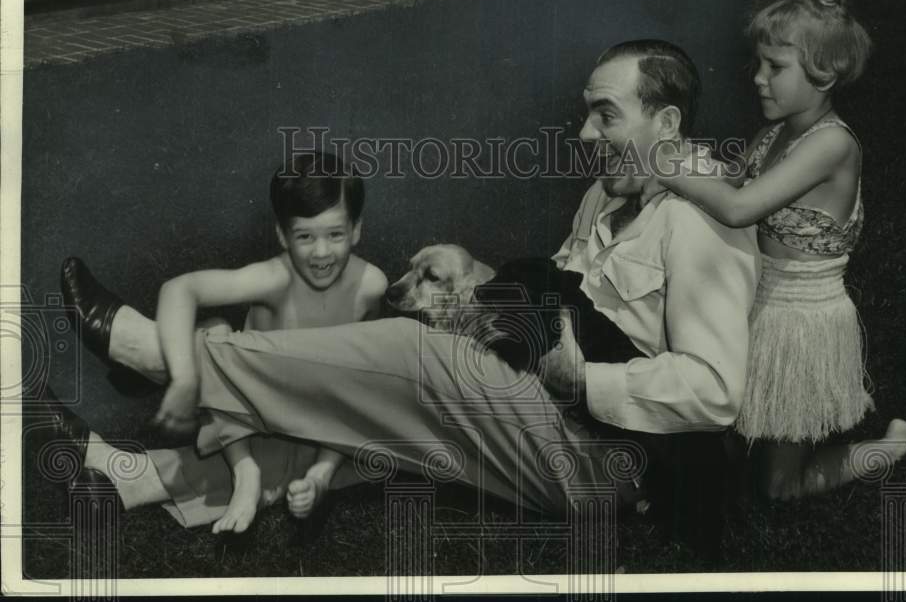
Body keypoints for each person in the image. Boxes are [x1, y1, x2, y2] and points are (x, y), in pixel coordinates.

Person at [53, 39, 759, 524]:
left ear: (666, 122)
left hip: (608, 462)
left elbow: (719, 393)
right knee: (381, 412)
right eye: (586, 111)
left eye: (607, 113)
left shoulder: (700, 224)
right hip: (543, 414)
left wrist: (585, 381)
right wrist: (481, 286)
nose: (583, 132)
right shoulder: (607, 195)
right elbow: (560, 299)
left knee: (411, 357)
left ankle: (162, 355)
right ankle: (135, 480)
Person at [647, 0, 906, 499]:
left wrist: (660, 166)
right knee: (722, 458)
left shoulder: (830, 144)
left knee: (777, 488)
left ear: (824, 74)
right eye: (758, 64)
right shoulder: (775, 133)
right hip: (756, 308)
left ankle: (893, 444)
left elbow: (738, 207)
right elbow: (729, 182)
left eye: (774, 67)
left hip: (800, 328)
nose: (758, 79)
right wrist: (674, 153)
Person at [60, 151, 388, 532]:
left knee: (354, 385)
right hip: (246, 409)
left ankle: (129, 470)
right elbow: (181, 289)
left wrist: (320, 475)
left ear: (357, 229)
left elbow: (359, 389)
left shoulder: (371, 287)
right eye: (304, 236)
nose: (320, 252)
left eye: (335, 234)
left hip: (314, 418)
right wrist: (184, 379)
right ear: (282, 235)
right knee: (216, 333)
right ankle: (238, 466)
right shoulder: (276, 278)